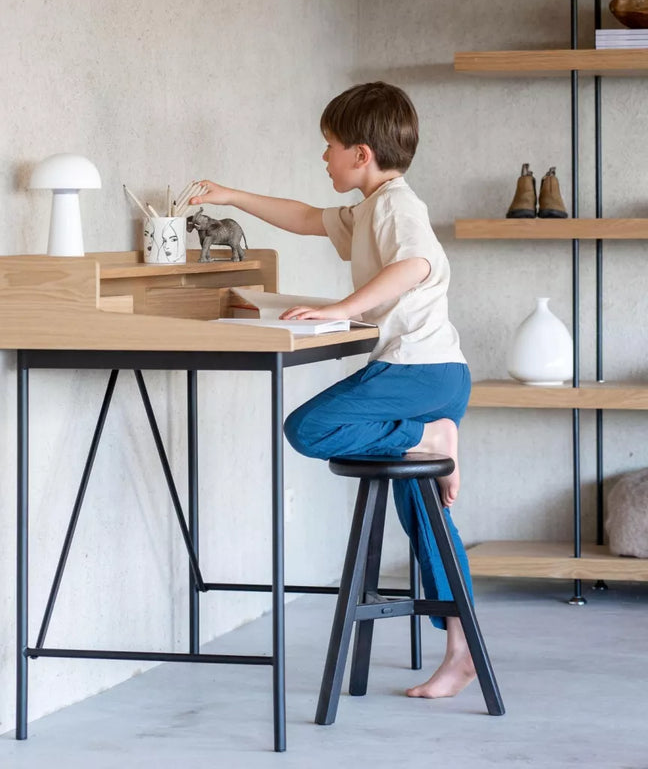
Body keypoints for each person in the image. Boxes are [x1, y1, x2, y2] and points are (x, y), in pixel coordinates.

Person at [189, 80, 475, 700]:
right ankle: (461, 649)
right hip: (438, 373)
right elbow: (304, 217)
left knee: (308, 428)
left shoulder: (398, 206)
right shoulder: (372, 207)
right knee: (426, 520)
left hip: (414, 377)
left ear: (361, 154)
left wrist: (339, 308)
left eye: (330, 146)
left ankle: (430, 436)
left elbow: (416, 265)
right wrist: (230, 195)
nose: (324, 158)